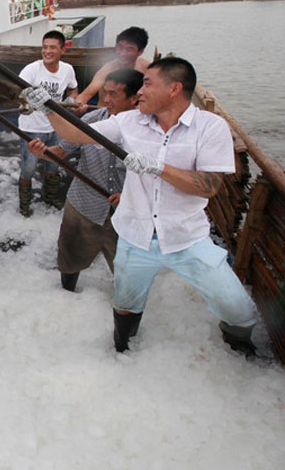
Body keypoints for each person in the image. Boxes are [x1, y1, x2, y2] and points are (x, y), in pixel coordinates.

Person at [23, 57, 259, 356]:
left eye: (148, 84)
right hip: (135, 238)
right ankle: (123, 350)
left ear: (174, 88)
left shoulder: (210, 127)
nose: (141, 92)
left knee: (236, 305)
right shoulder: (128, 121)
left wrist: (159, 168)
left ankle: (239, 346)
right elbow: (75, 134)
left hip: (187, 237)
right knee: (126, 303)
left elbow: (210, 186)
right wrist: (49, 109)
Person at [27, 69, 143, 292]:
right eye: (104, 93)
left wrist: (130, 197)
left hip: (125, 215)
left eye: (113, 95)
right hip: (82, 205)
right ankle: (66, 295)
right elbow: (60, 152)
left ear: (134, 98)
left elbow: (157, 179)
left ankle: (124, 309)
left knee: (128, 273)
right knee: (70, 259)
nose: (106, 100)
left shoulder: (148, 132)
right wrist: (43, 152)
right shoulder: (91, 119)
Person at [17, 30, 80, 216]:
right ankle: (24, 207)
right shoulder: (31, 69)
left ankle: (50, 198)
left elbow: (74, 89)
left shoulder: (67, 70)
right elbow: (18, 93)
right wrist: (24, 103)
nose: (47, 51)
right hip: (31, 128)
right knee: (28, 169)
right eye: (44, 47)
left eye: (53, 47)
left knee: (53, 166)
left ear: (62, 50)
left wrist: (70, 101)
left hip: (56, 128)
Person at [75, 27, 150, 107]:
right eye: (120, 47)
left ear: (140, 51)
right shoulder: (107, 70)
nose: (122, 53)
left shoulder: (145, 66)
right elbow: (86, 94)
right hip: (107, 114)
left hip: (135, 113)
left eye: (129, 49)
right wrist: (78, 105)